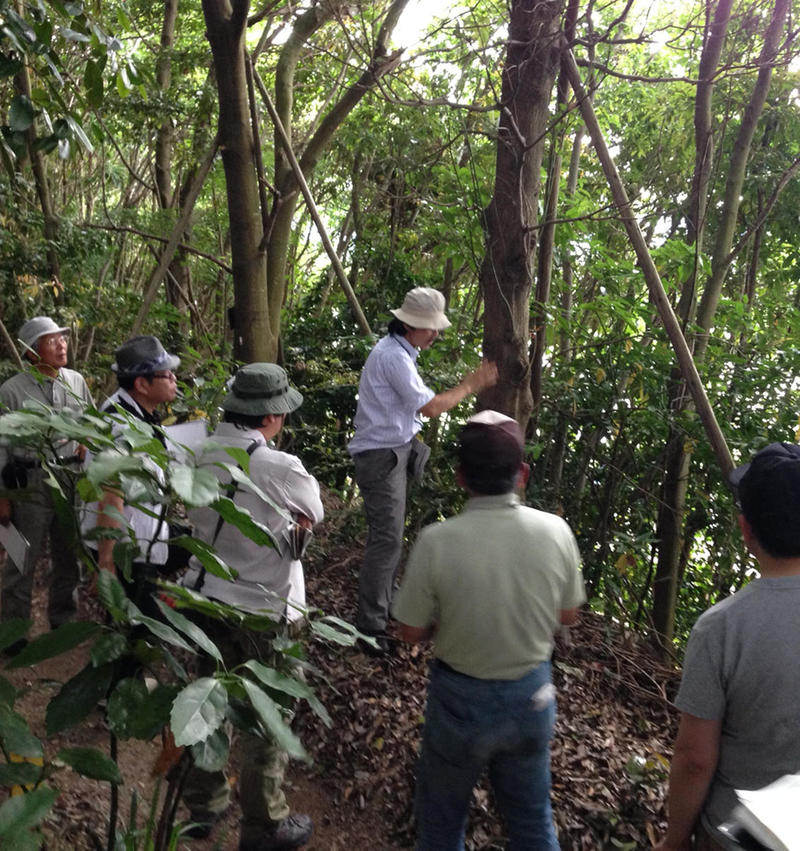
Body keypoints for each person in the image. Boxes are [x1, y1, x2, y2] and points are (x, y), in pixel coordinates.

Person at [393, 410, 585, 850]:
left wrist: (453, 620)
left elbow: (409, 630)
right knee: (533, 821)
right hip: (532, 697)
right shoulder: (555, 531)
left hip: (460, 702)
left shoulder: (437, 540)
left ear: (460, 478)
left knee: (441, 824)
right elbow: (569, 614)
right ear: (523, 474)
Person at [179, 363, 323, 851]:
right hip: (265, 610)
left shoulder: (194, 449)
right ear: (272, 416)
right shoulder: (281, 468)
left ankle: (204, 805)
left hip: (207, 599)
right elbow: (312, 514)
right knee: (267, 713)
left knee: (206, 703)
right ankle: (265, 823)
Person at [655, 442, 800, 851]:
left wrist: (675, 838)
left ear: (746, 530)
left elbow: (695, 760)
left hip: (744, 836)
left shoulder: (721, 628)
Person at [348, 287, 498, 653]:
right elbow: (429, 408)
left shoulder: (402, 352)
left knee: (389, 539)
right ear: (407, 324)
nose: (434, 334)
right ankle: (370, 628)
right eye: (428, 328)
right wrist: (470, 385)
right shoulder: (394, 358)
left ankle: (385, 605)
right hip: (381, 457)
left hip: (390, 452)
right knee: (386, 542)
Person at [0, 316, 94, 640]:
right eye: (51, 339)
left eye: (62, 338)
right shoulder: (11, 391)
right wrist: (3, 497)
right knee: (19, 558)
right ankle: (13, 632)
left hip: (70, 479)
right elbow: (1, 446)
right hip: (29, 482)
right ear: (30, 350)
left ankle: (62, 621)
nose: (61, 344)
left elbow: (93, 424)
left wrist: (86, 442)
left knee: (69, 555)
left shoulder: (77, 382)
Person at [87, 335, 180, 615]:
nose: (175, 379)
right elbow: (110, 494)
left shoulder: (137, 412)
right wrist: (106, 562)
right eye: (167, 375)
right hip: (125, 546)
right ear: (141, 384)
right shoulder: (121, 426)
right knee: (136, 631)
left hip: (139, 535)